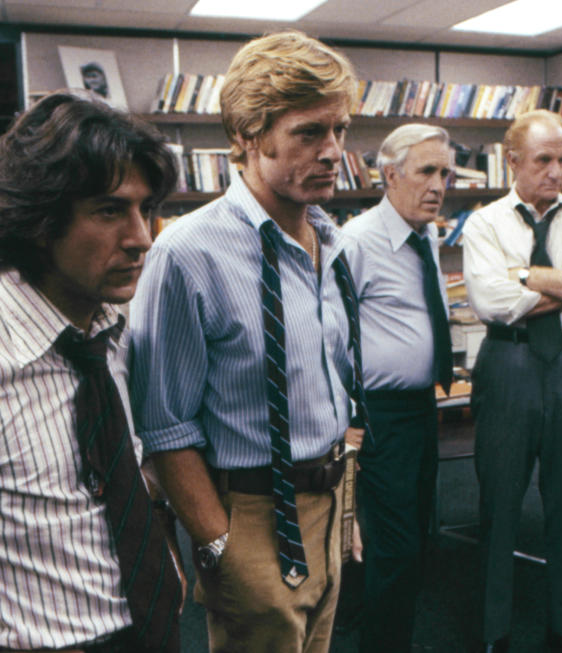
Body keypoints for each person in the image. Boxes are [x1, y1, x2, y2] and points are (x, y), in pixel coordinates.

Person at [0, 91, 183, 652]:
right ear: (39, 221)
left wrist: (163, 551)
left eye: (146, 209)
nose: (143, 237)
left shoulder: (110, 326)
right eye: (109, 210)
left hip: (152, 630)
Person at [129, 31, 366, 653]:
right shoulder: (187, 253)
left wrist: (344, 503)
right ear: (247, 136)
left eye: (340, 130)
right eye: (310, 133)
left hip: (329, 502)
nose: (333, 151)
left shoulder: (332, 243)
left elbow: (334, 383)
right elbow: (165, 426)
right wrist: (219, 548)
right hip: (250, 514)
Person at [462, 109, 562, 653]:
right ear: (513, 162)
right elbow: (490, 302)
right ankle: (493, 630)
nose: (556, 171)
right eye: (543, 160)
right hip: (510, 366)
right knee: (500, 505)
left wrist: (522, 276)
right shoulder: (484, 223)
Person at [341, 124, 455, 653]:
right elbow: (331, 337)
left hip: (418, 409)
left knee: (417, 540)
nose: (439, 185)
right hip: (378, 413)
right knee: (395, 547)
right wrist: (349, 420)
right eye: (427, 171)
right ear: (390, 175)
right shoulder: (358, 241)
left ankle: (382, 635)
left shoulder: (424, 234)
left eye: (446, 173)